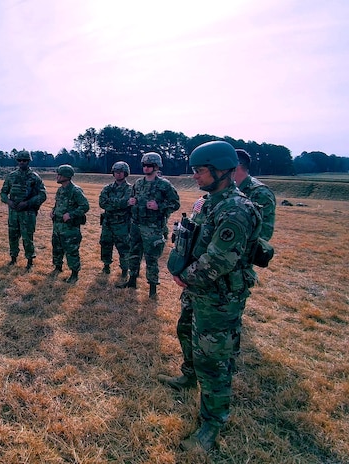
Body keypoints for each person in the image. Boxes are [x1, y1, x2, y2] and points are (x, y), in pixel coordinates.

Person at [158, 141, 262, 452]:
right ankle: (189, 377)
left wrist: (184, 277)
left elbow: (218, 261)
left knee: (214, 362)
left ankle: (212, 423)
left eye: (199, 170)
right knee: (186, 332)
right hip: (198, 291)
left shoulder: (236, 210)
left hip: (218, 297)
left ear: (220, 170)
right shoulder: (211, 203)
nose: (195, 176)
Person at [232, 148, 276, 371]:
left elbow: (263, 235)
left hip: (239, 260)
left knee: (233, 307)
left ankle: (232, 355)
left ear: (236, 166)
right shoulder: (226, 189)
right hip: (222, 256)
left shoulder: (260, 193)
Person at [116, 152, 180, 298]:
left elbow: (175, 203)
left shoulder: (164, 185)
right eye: (144, 165)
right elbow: (133, 198)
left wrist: (159, 206)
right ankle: (132, 280)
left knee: (151, 257)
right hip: (136, 225)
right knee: (133, 253)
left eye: (149, 165)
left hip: (153, 227)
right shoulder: (138, 183)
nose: (146, 168)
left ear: (156, 166)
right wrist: (131, 201)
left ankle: (152, 288)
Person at [0, 151, 47, 269]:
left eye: (24, 160)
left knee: (27, 238)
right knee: (13, 236)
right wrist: (8, 201)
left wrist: (27, 203)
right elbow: (3, 193)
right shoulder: (11, 176)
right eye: (20, 160)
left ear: (28, 161)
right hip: (13, 213)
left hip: (28, 213)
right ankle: (13, 258)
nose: (22, 162)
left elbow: (42, 195)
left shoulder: (34, 177)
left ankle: (30, 261)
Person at [50, 164, 90, 283]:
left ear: (66, 176)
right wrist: (53, 211)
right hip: (57, 226)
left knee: (71, 250)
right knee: (57, 248)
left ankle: (74, 273)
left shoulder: (75, 191)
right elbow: (58, 204)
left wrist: (71, 214)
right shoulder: (60, 190)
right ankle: (57, 267)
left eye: (59, 174)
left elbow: (85, 206)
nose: (57, 176)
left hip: (70, 228)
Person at [98, 161, 133, 277]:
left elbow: (128, 202)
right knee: (105, 244)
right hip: (108, 222)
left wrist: (112, 203)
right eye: (116, 172)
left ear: (125, 173)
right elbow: (102, 203)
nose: (118, 174)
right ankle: (106, 265)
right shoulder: (107, 188)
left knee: (124, 247)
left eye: (121, 172)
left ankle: (124, 270)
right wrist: (121, 204)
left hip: (122, 223)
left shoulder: (130, 189)